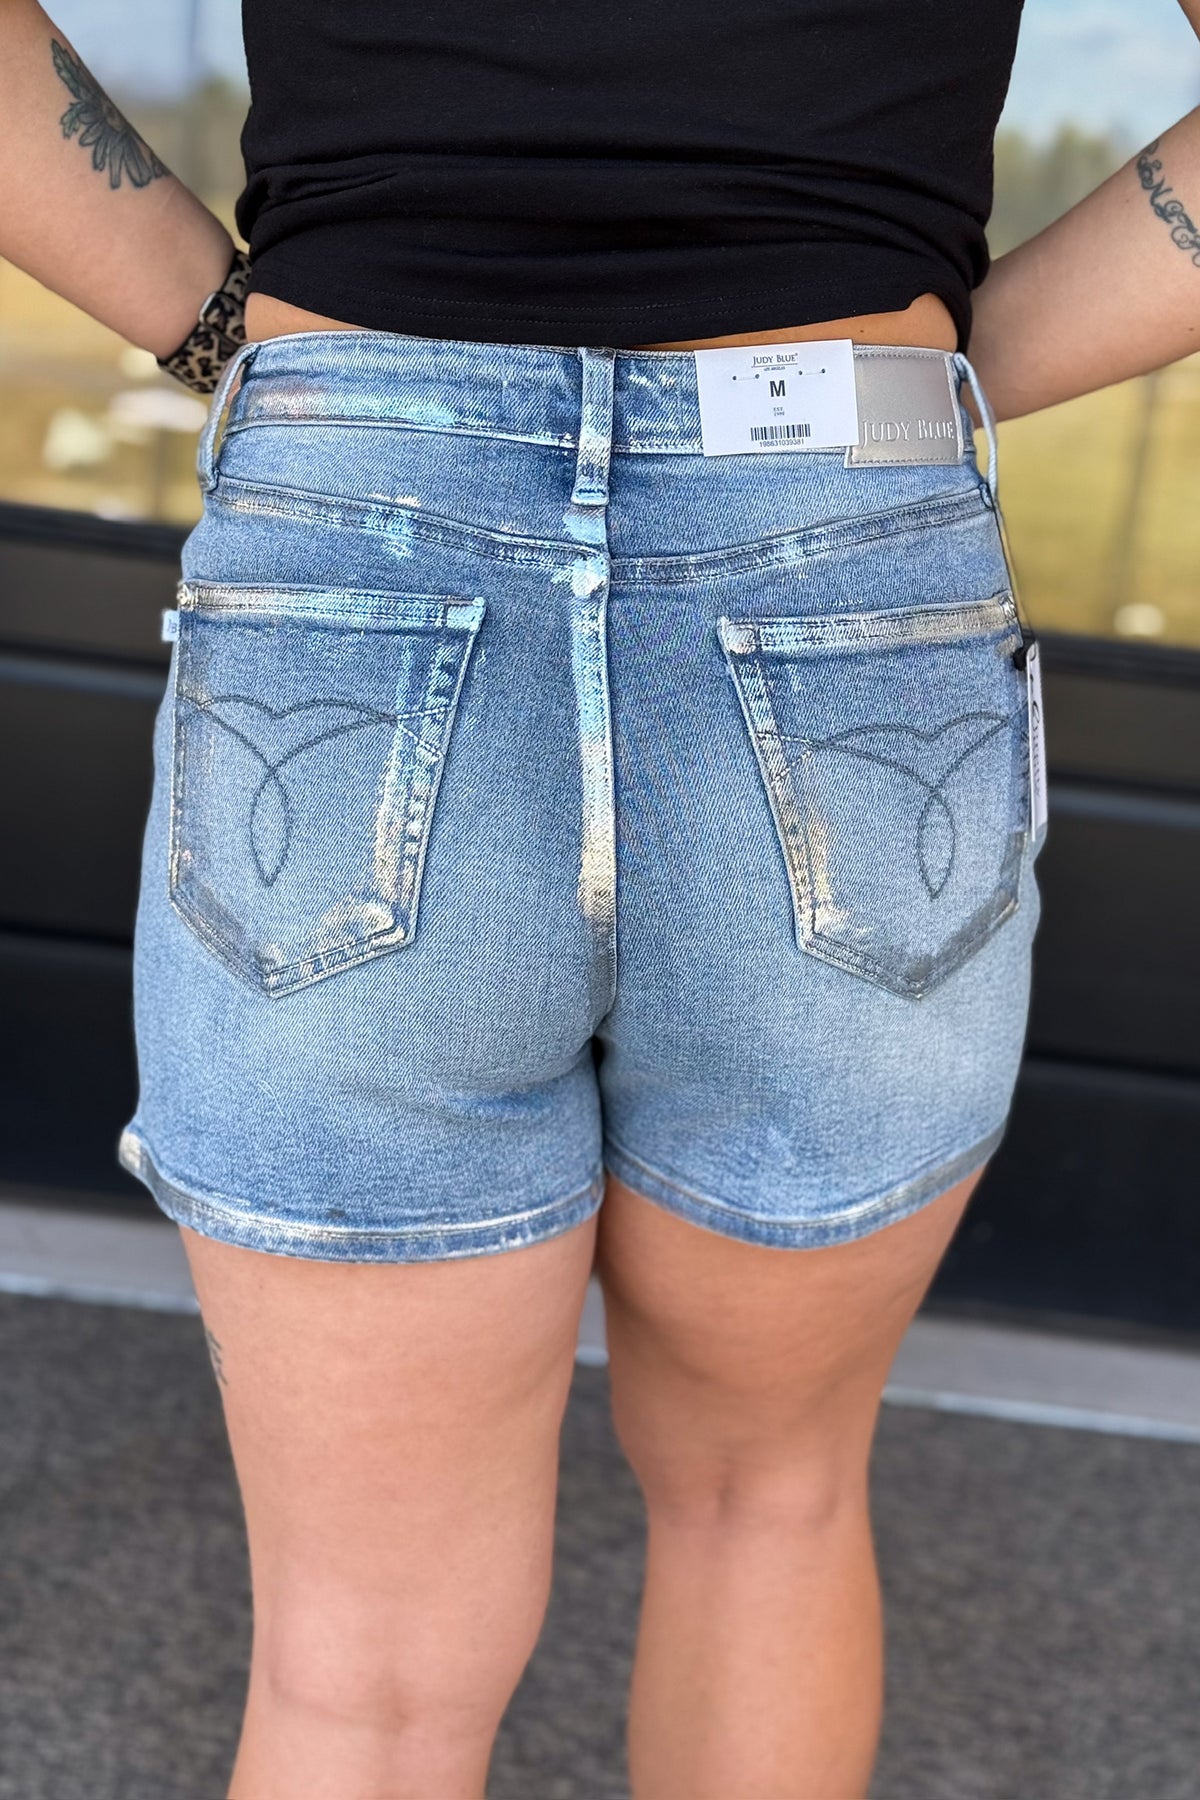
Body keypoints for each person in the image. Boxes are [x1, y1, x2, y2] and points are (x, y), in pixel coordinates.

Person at [4, 2, 1199, 1795]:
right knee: (768, 1499)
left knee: (359, 1669)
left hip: (364, 504)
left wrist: (221, 322)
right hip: (844, 524)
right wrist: (931, 373)